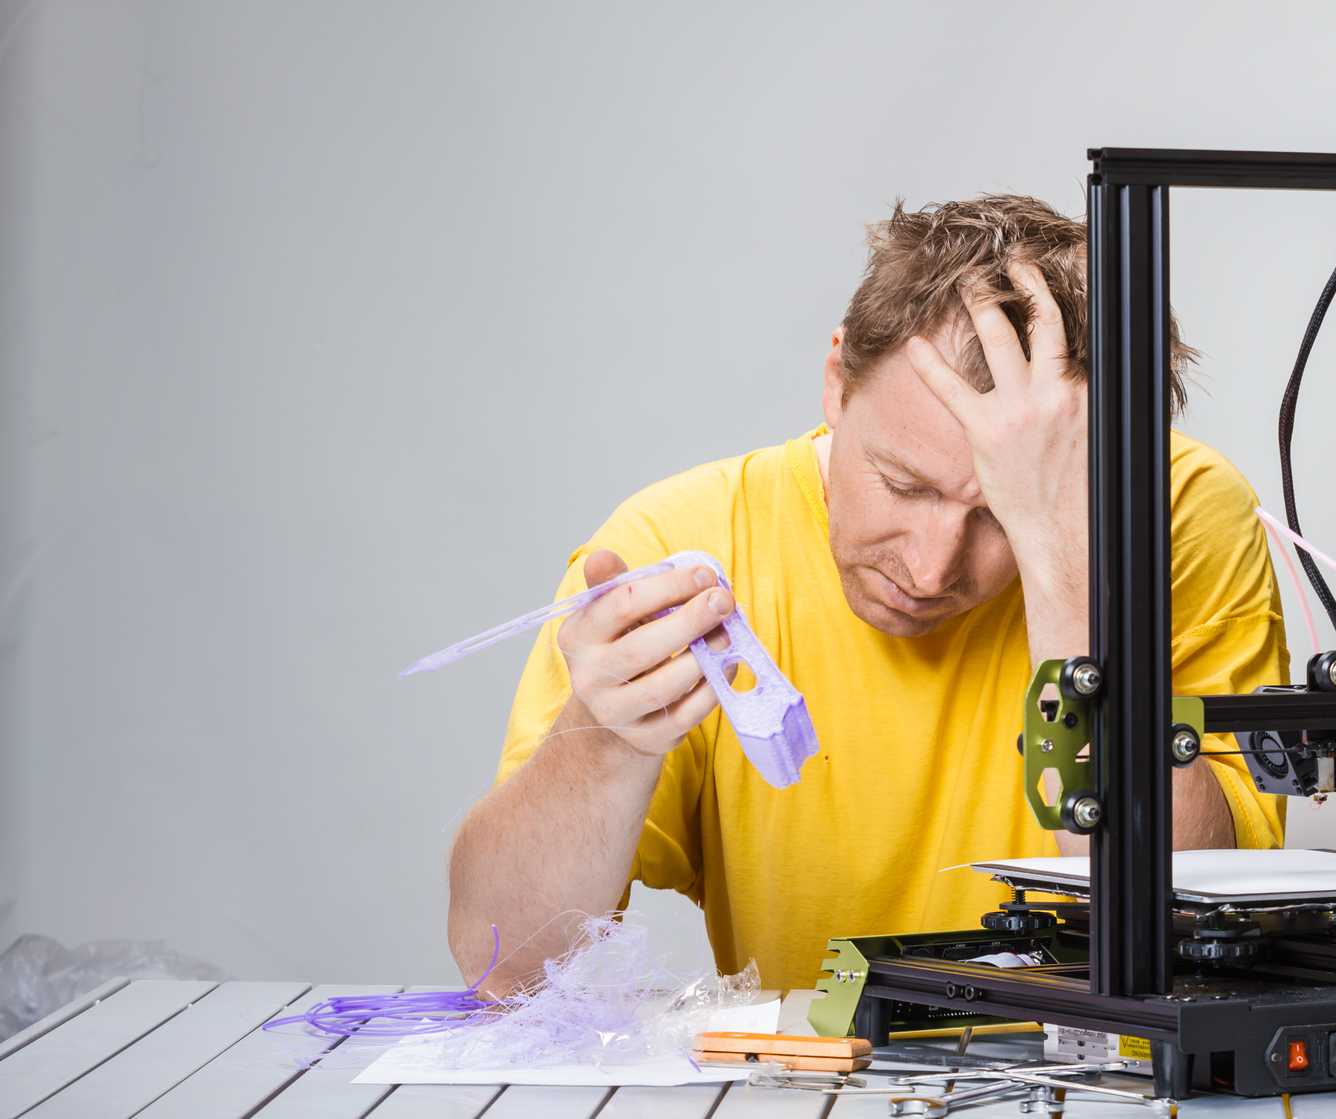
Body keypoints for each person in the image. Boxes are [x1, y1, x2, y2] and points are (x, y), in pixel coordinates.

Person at [447, 195, 1289, 993]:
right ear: (836, 383)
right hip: (811, 1075)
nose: (930, 568)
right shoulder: (684, 545)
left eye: (998, 514)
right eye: (903, 484)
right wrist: (600, 743)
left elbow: (1183, 927)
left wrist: (1063, 550)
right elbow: (503, 969)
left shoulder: (1174, 514)